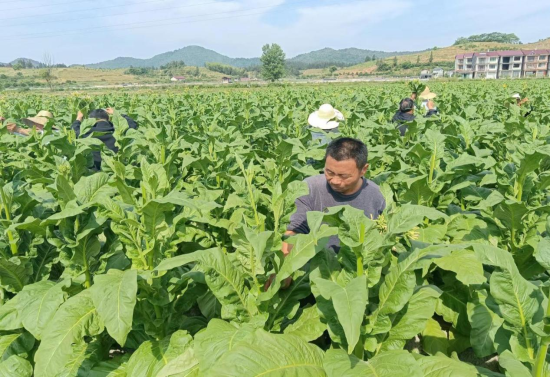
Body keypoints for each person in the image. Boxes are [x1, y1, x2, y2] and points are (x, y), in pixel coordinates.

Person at [285, 138, 386, 254]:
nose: (335, 181)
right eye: (329, 172)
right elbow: (293, 232)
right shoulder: (309, 188)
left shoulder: (378, 196)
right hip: (318, 266)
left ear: (363, 169)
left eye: (344, 176)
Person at [71, 108, 138, 170]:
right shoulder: (119, 132)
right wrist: (116, 113)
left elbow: (73, 130)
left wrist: (79, 117)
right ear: (108, 119)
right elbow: (132, 124)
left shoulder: (83, 134)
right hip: (115, 172)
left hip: (92, 173)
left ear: (90, 121)